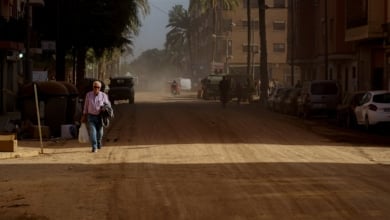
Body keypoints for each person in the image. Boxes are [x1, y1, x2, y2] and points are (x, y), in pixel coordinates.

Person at [81, 81, 111, 153]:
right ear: (93, 87)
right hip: (91, 116)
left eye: (98, 87)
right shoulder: (88, 95)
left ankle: (98, 142)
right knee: (93, 132)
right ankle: (94, 147)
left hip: (100, 117)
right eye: (95, 87)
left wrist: (104, 108)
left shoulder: (103, 95)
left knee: (100, 133)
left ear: (100, 88)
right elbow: (86, 106)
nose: (96, 89)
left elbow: (108, 105)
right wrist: (84, 115)